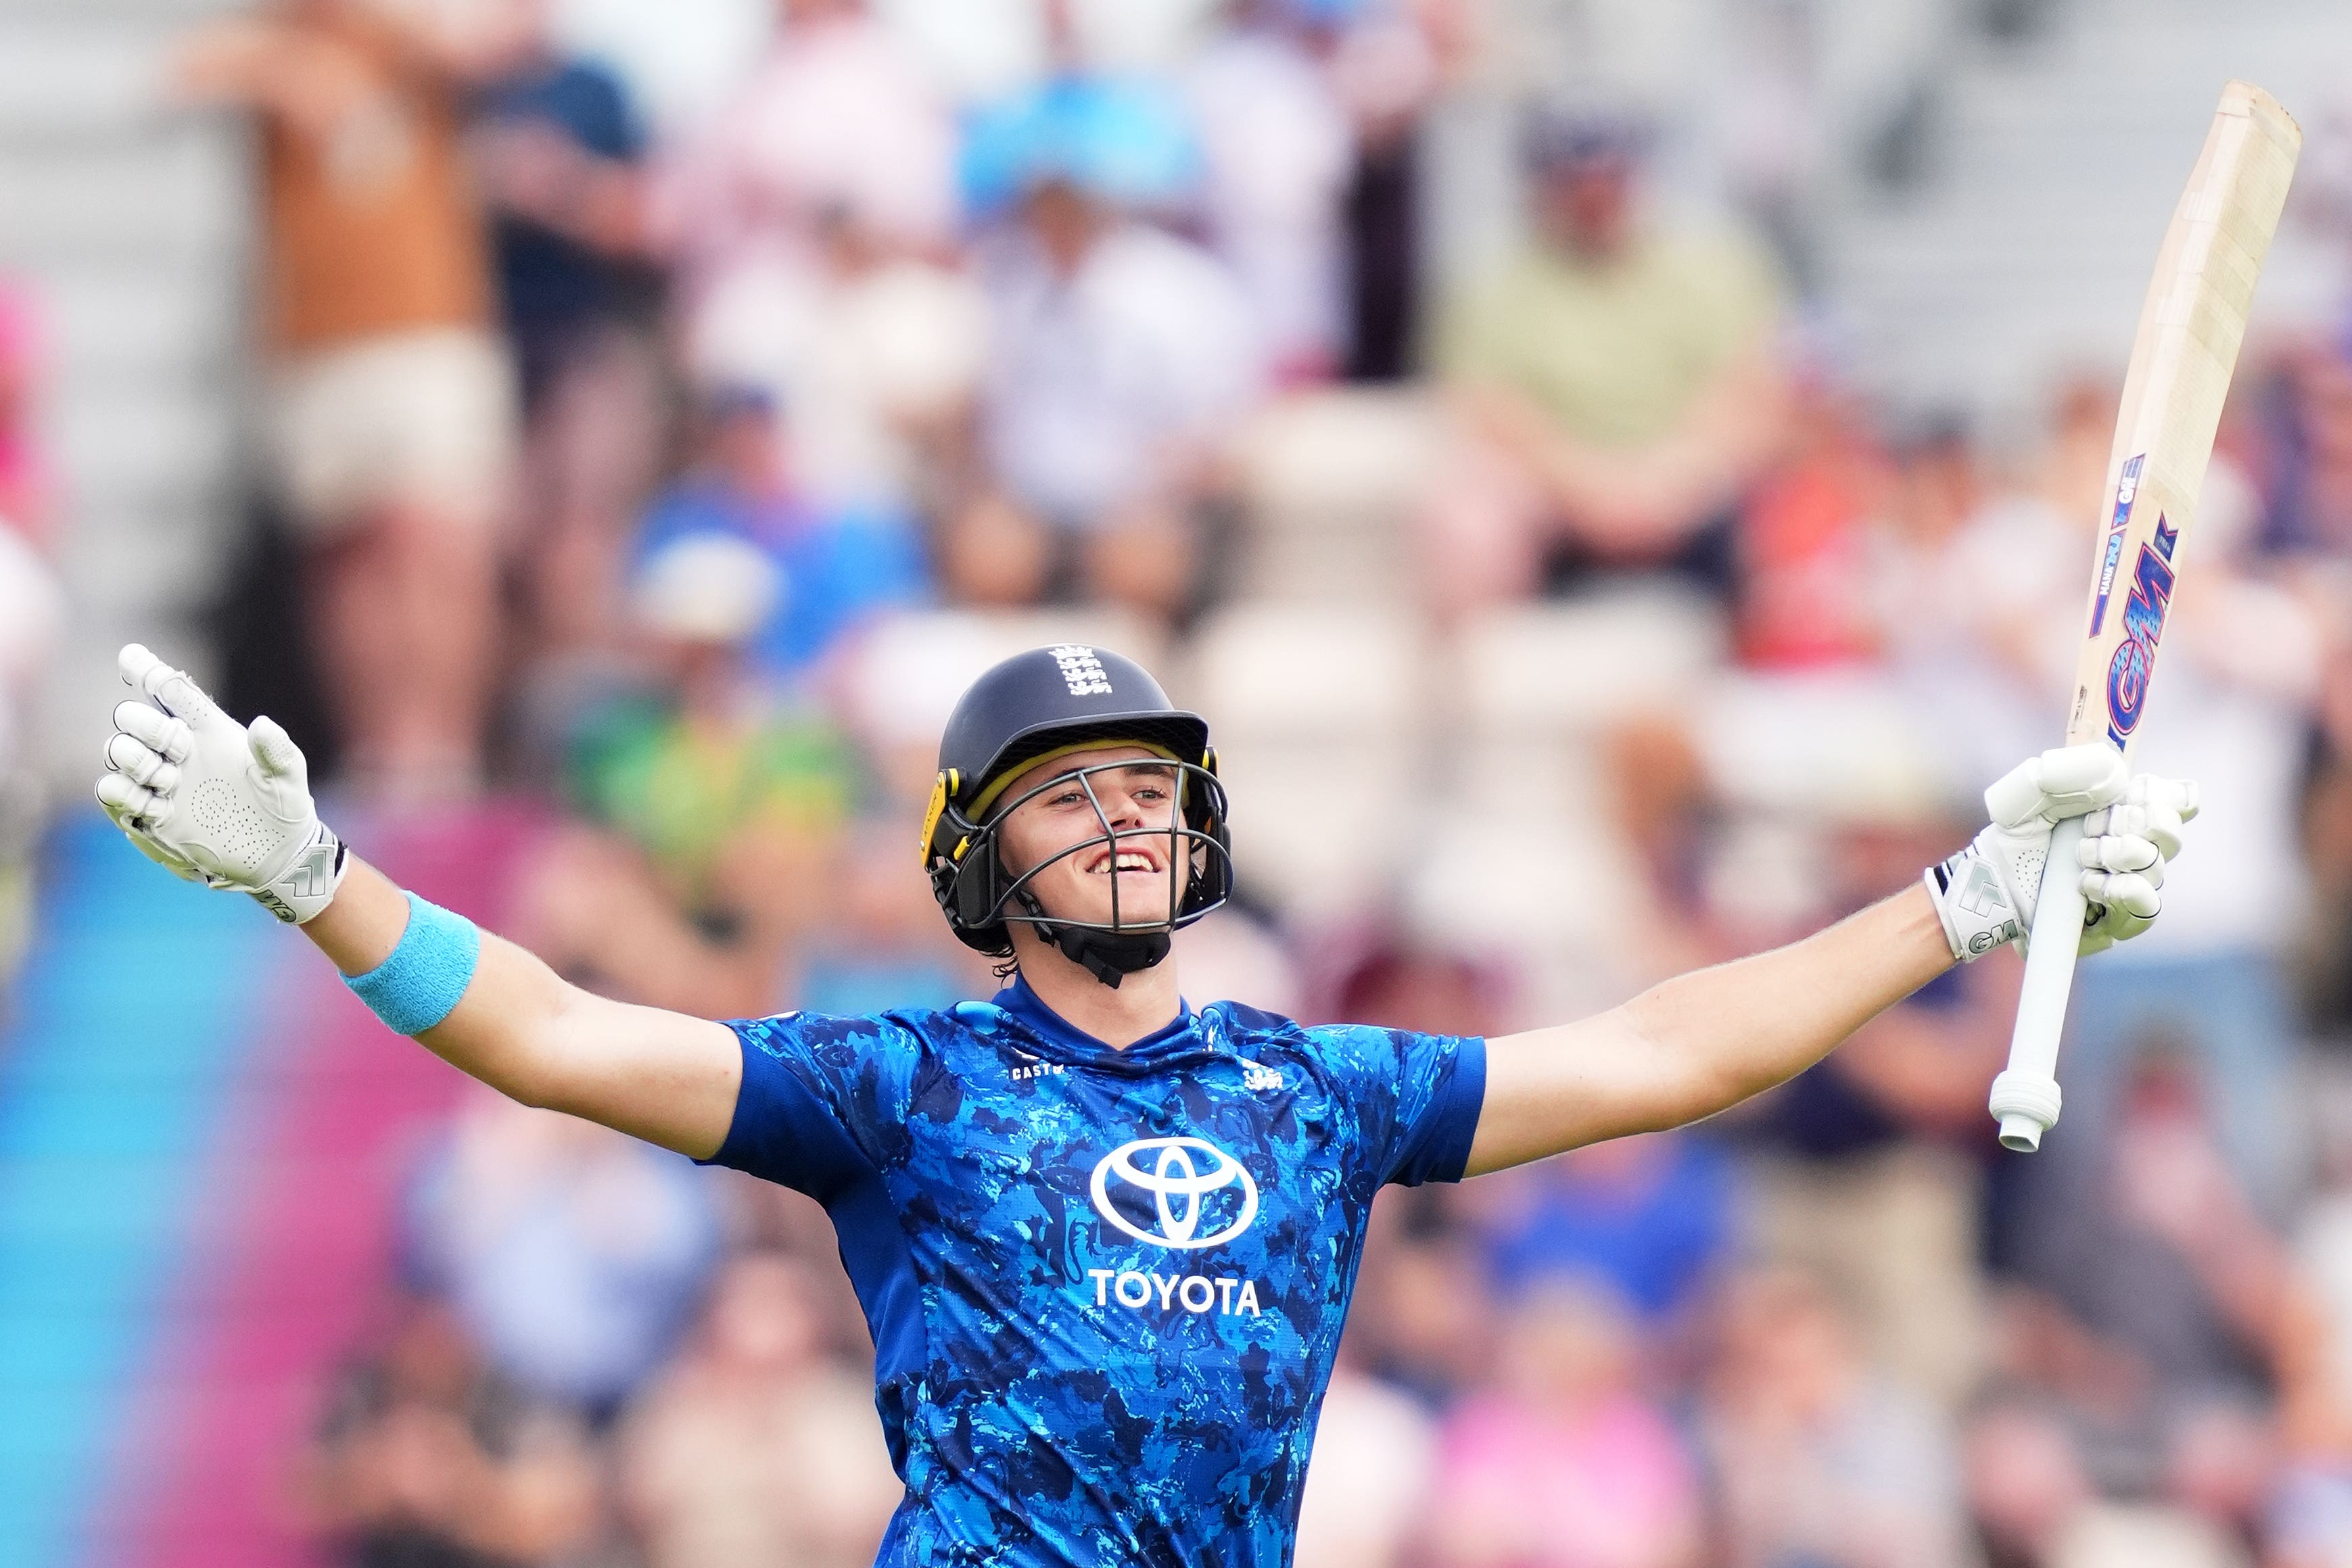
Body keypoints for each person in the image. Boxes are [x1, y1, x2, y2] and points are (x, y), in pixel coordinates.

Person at [95, 639, 2194, 1567]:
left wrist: (1961, 906)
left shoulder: (1316, 1088)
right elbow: (555, 1035)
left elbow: (1666, 1054)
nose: (1114, 825)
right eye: (1062, 800)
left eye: (1145, 794)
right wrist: (316, 881)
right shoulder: (901, 1087)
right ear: (974, 863)